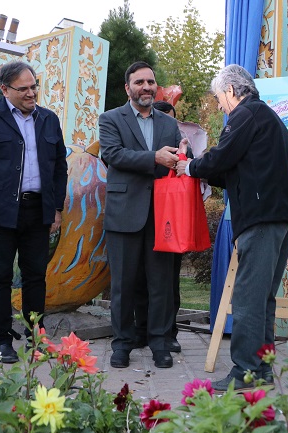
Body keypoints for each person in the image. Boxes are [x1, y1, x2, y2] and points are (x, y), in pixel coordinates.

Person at [175, 64, 288, 392]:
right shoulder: (264, 116)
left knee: (247, 297)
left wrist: (189, 166)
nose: (219, 106)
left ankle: (245, 371)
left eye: (219, 97)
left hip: (260, 218)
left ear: (231, 91)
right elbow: (232, 169)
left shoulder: (246, 114)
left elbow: (221, 158)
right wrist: (202, 171)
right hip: (278, 217)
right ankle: (261, 370)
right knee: (262, 298)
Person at [0, 61, 68, 364]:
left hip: (38, 211)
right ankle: (2, 340)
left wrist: (56, 208)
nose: (31, 93)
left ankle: (36, 338)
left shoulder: (48, 119)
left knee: (36, 277)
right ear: (5, 90)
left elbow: (59, 169)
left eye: (34, 86)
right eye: (24, 89)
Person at [99, 62, 184, 369]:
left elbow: (177, 158)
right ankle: (122, 344)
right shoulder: (111, 119)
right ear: (128, 88)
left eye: (150, 81)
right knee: (123, 285)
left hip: (163, 215)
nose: (146, 87)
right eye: (139, 82)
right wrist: (154, 158)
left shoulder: (169, 124)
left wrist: (183, 155)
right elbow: (112, 154)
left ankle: (159, 343)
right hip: (124, 213)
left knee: (161, 284)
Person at [132, 100, 186, 352]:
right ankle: (141, 330)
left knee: (168, 279)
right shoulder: (133, 131)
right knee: (139, 277)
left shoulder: (175, 132)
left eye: (170, 118)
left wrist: (182, 154)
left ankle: (168, 332)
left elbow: (188, 160)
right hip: (137, 210)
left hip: (169, 214)